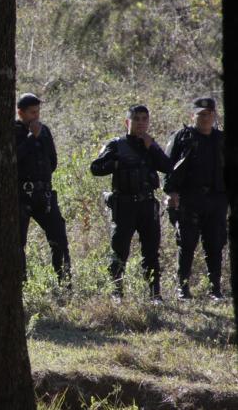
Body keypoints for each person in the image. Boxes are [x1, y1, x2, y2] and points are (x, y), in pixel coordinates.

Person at [90, 105, 172, 301]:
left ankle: (155, 295)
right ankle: (117, 293)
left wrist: (151, 147)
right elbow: (95, 168)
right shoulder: (116, 145)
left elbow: (167, 167)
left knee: (151, 252)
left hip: (147, 205)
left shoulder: (150, 144)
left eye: (145, 119)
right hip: (125, 205)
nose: (141, 123)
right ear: (127, 122)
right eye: (136, 119)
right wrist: (117, 163)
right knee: (119, 251)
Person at [164, 97, 228, 300]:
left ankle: (215, 289)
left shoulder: (222, 139)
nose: (205, 118)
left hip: (217, 199)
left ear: (214, 115)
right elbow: (168, 167)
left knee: (215, 244)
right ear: (193, 115)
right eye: (201, 114)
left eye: (209, 114)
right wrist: (171, 192)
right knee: (187, 243)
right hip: (189, 198)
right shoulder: (182, 137)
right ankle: (182, 288)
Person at [14, 92, 71, 287]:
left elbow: (52, 162)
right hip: (21, 195)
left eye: (38, 112)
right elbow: (12, 160)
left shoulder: (44, 131)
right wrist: (31, 138)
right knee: (17, 243)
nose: (36, 116)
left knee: (59, 238)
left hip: (44, 194)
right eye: (32, 112)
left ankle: (65, 284)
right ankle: (21, 287)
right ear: (20, 112)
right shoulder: (12, 131)